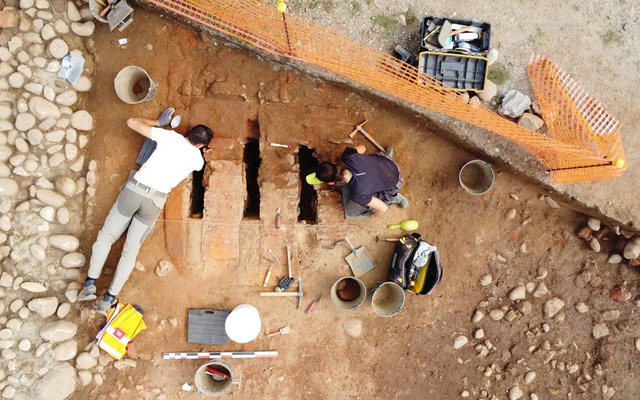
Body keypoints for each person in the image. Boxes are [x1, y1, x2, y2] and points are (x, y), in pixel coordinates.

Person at [77, 108, 214, 315]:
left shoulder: (169, 137)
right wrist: (201, 151)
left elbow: (132, 122)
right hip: (155, 202)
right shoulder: (198, 160)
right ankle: (108, 299)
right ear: (201, 145)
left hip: (135, 191)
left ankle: (90, 285)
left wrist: (159, 122)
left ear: (188, 133)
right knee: (131, 249)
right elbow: (197, 162)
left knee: (107, 236)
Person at [306, 145, 408, 219]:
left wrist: (372, 216)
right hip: (388, 163)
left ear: (331, 183)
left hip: (394, 182)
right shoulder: (348, 156)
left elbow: (383, 208)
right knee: (368, 173)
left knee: (350, 211)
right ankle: (383, 159)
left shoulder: (358, 194)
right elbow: (363, 147)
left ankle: (393, 198)